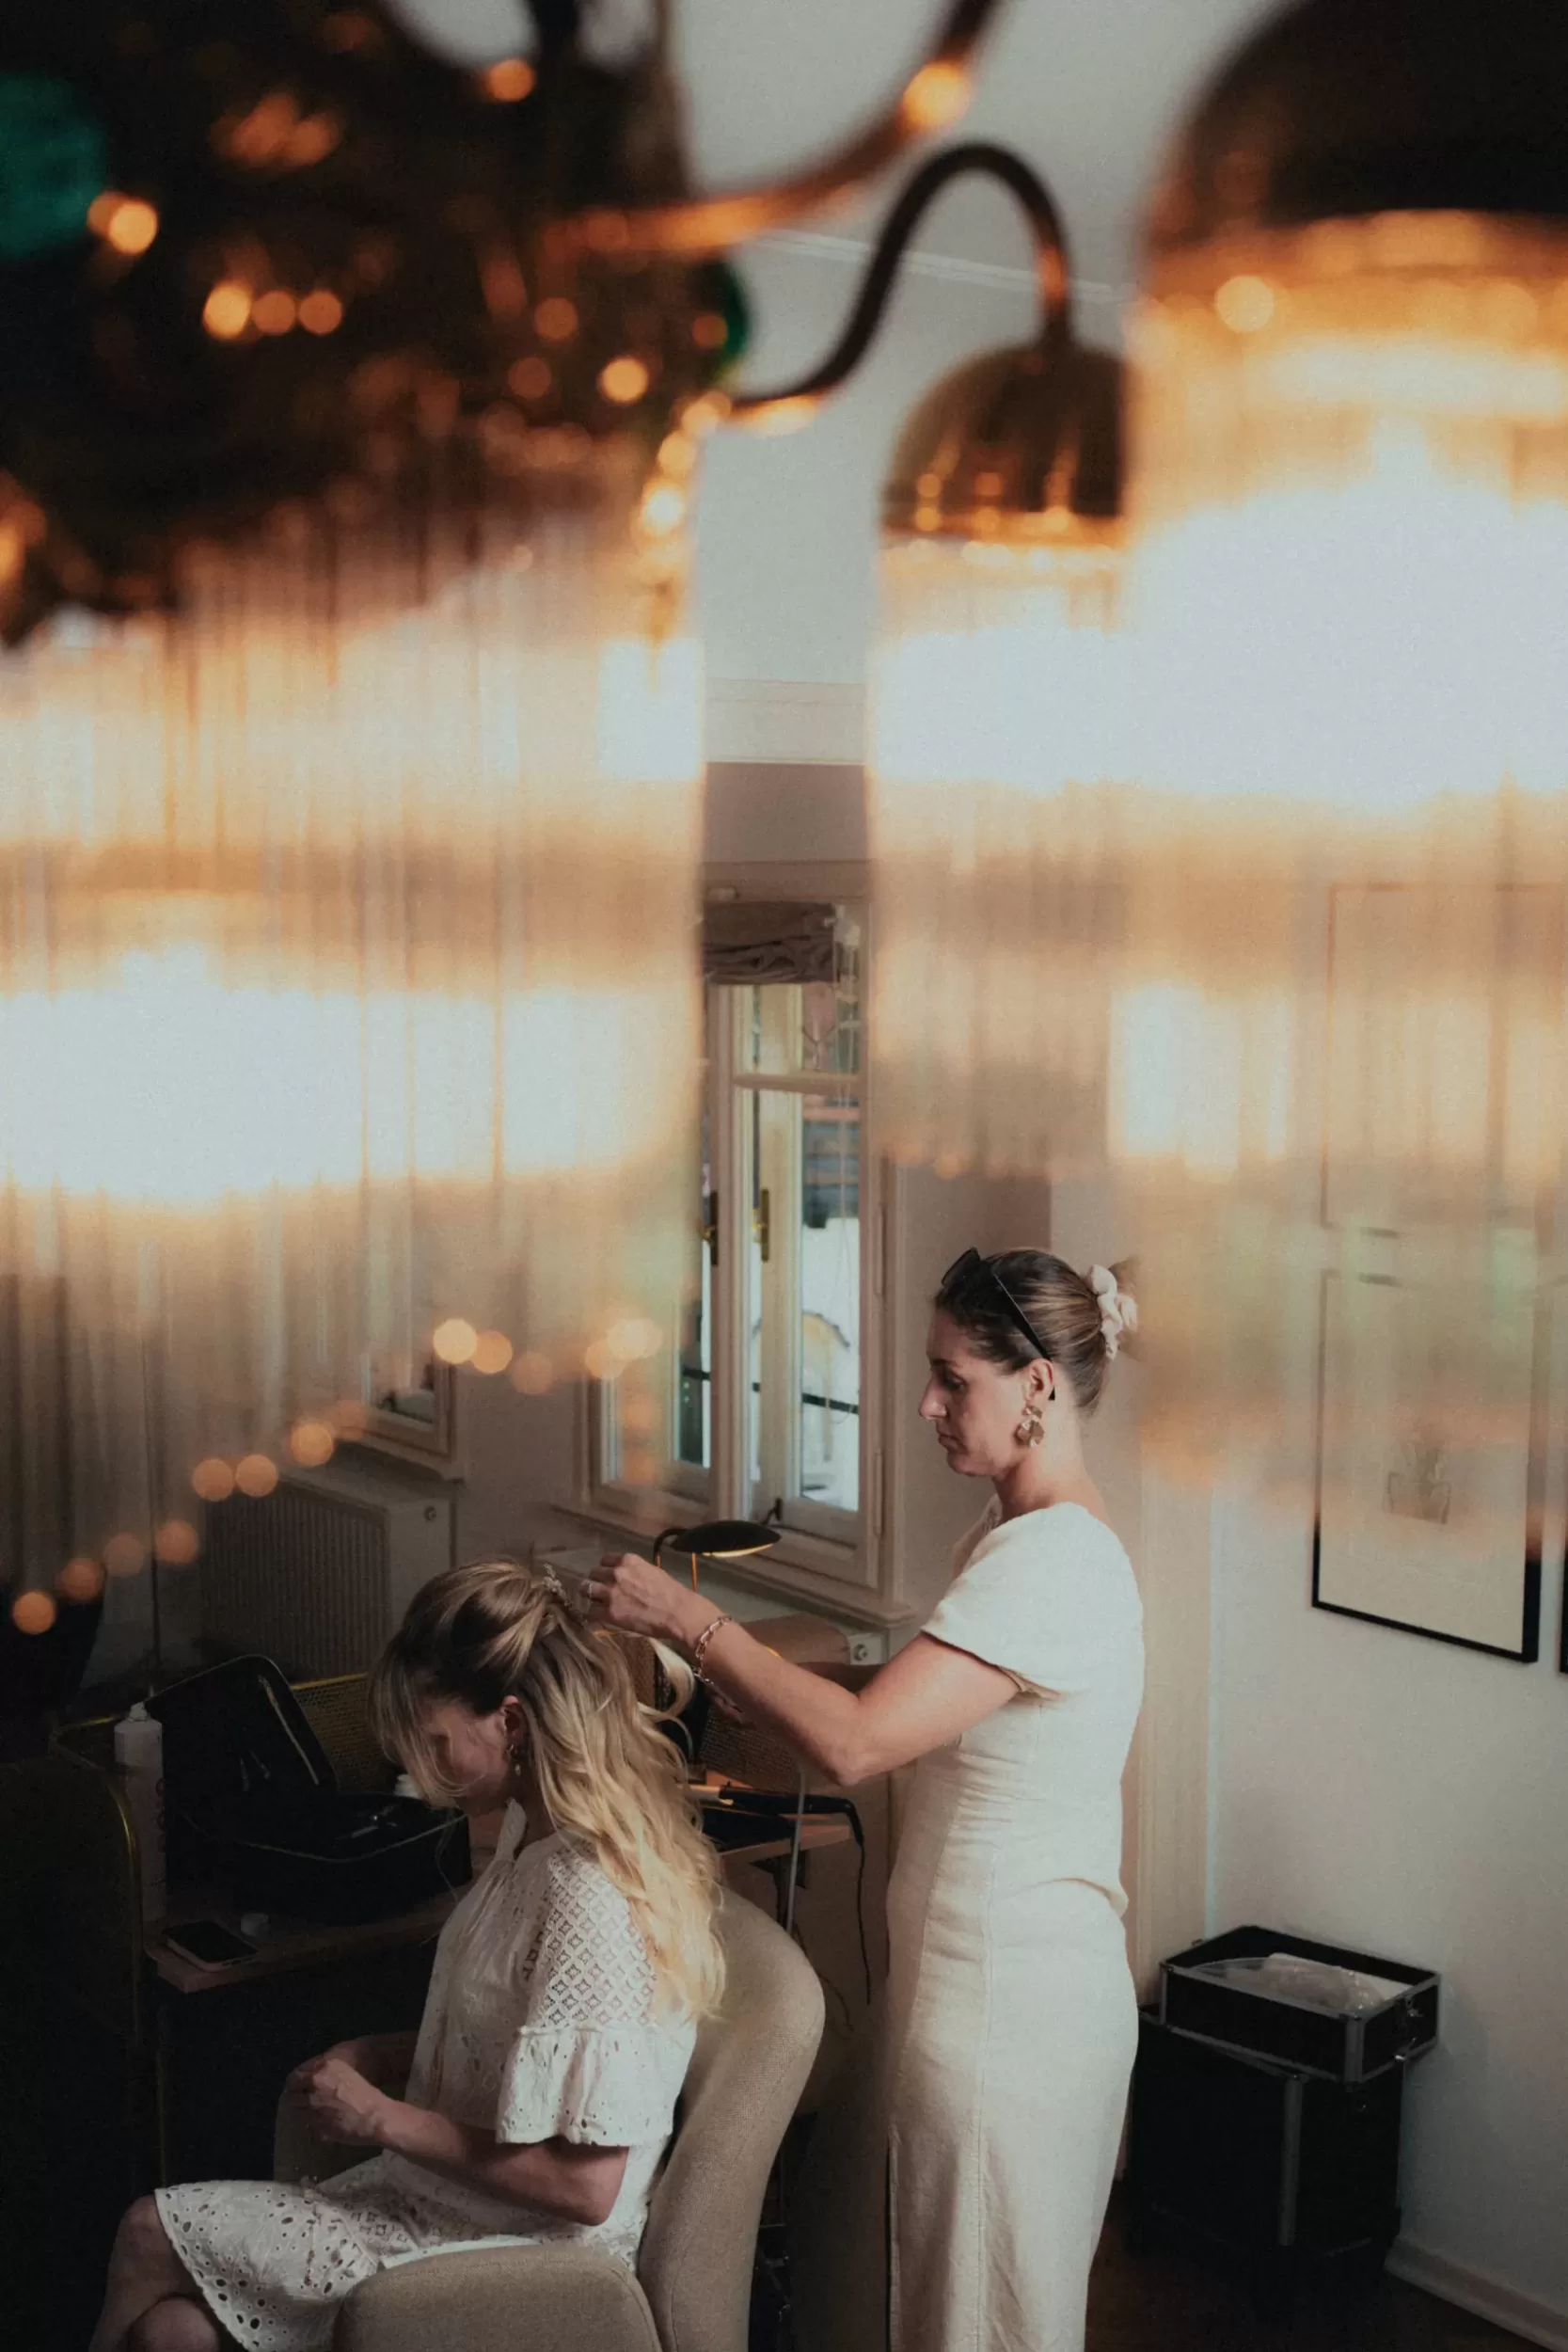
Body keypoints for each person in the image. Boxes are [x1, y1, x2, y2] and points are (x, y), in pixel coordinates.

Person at [588, 1247, 1145, 2352]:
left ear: (1036, 1385)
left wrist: (687, 1618)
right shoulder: (1005, 1538)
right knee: (954, 2313)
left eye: (952, 1379)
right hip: (990, 1995)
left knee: (982, 2323)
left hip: (1013, 2016)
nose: (928, 1404)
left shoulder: (1051, 1565)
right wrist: (729, 1691)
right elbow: (899, 1700)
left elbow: (853, 1745)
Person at [88, 1563, 722, 2352]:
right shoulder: (533, 1829)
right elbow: (519, 2045)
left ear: (514, 1725)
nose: (422, 1779)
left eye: (437, 1745)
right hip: (441, 2202)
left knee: (148, 2231)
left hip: (516, 2253)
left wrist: (382, 2119)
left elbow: (586, 2188)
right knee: (172, 2333)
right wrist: (382, 2054)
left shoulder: (587, 1897)